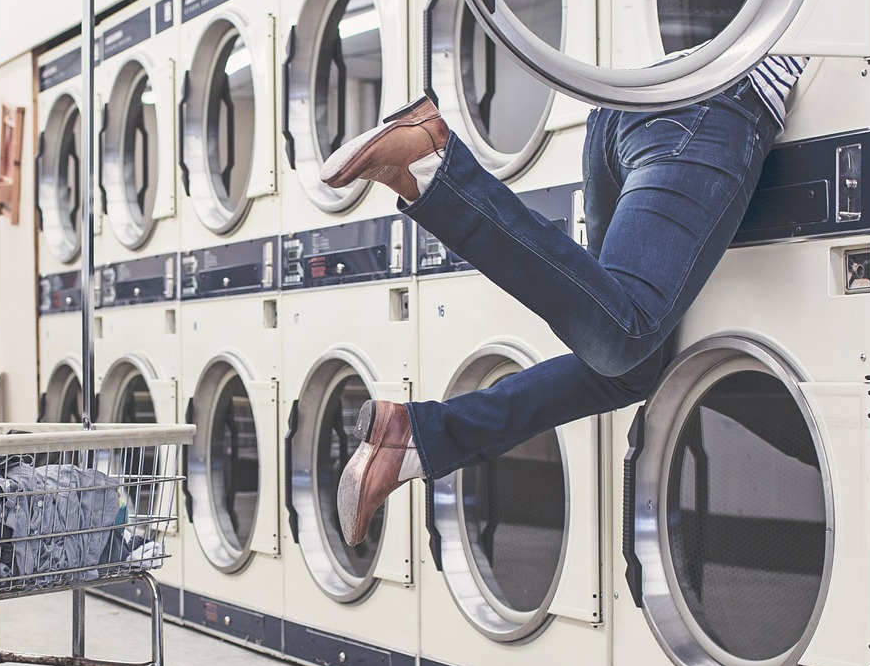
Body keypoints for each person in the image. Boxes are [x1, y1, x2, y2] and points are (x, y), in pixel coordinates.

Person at [322, 56, 805, 547]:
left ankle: (415, 438)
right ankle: (434, 165)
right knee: (622, 337)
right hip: (712, 111)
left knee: (625, 368)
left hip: (626, 112)